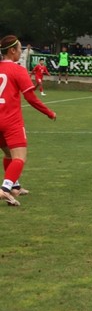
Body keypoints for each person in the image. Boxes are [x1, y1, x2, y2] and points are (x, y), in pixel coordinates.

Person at [0, 35, 56, 206]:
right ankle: (5, 189)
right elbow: (31, 98)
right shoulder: (18, 70)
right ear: (12, 51)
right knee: (19, 158)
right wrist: (49, 112)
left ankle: (15, 187)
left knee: (9, 154)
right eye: (20, 49)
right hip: (11, 121)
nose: (21, 52)